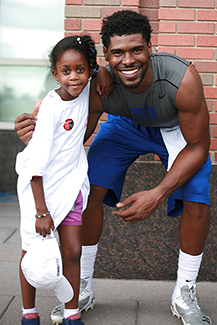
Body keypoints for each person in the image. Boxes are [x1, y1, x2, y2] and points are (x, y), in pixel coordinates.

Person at [15, 10, 212, 325]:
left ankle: (185, 291)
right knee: (88, 185)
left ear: (150, 46)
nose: (128, 59)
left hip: (177, 131)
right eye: (117, 53)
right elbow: (71, 134)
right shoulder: (95, 83)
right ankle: (82, 286)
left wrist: (159, 193)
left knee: (198, 196)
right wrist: (36, 134)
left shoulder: (181, 79)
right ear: (106, 55)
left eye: (137, 49)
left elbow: (199, 145)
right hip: (125, 127)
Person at [15, 34, 112, 325]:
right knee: (32, 254)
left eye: (80, 70)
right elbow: (35, 165)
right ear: (55, 73)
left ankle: (72, 313)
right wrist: (41, 211)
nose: (74, 77)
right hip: (39, 190)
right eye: (66, 71)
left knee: (72, 251)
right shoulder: (52, 108)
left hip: (70, 186)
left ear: (90, 70)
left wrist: (103, 70)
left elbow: (101, 74)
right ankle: (28, 314)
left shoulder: (86, 91)